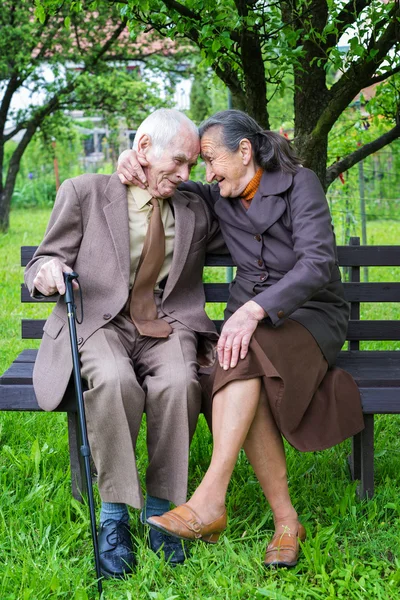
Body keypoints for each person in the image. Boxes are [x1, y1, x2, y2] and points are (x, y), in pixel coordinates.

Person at [117, 109, 364, 568]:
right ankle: (286, 521)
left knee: (236, 356)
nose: (205, 173)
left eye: (210, 159)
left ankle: (211, 500)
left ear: (245, 151)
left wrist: (254, 310)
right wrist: (128, 160)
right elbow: (168, 179)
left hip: (310, 316)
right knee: (234, 361)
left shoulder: (299, 183)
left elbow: (318, 263)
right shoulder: (221, 194)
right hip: (248, 328)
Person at [24, 108, 224, 578]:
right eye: (177, 161)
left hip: (165, 324)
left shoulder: (193, 203)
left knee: (179, 382)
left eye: (192, 165)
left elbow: (233, 193)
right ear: (143, 149)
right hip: (100, 321)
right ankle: (113, 516)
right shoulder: (85, 192)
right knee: (114, 381)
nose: (184, 174)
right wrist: (50, 270)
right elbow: (42, 259)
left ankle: (160, 512)